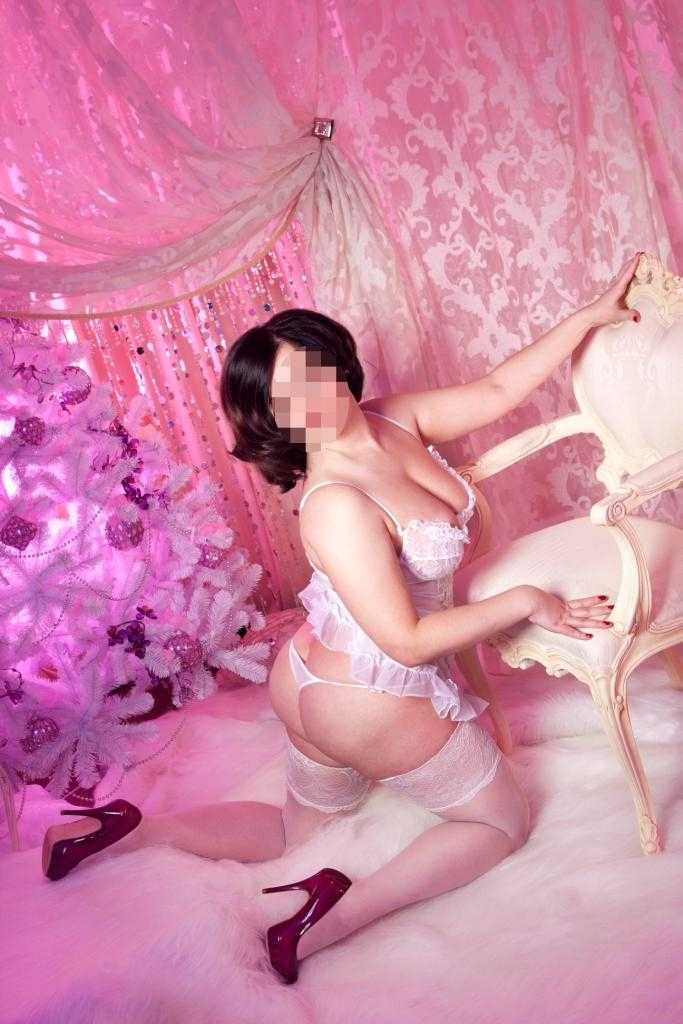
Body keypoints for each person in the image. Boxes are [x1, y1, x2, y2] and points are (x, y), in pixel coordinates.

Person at [40, 254, 642, 986]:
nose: (317, 396)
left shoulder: (392, 416)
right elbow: (406, 642)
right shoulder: (333, 502)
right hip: (366, 694)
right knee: (498, 823)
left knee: (296, 827)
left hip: (319, 673)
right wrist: (525, 602)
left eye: (315, 370)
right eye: (290, 395)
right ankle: (328, 915)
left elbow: (496, 389)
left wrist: (588, 316)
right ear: (274, 418)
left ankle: (125, 833)